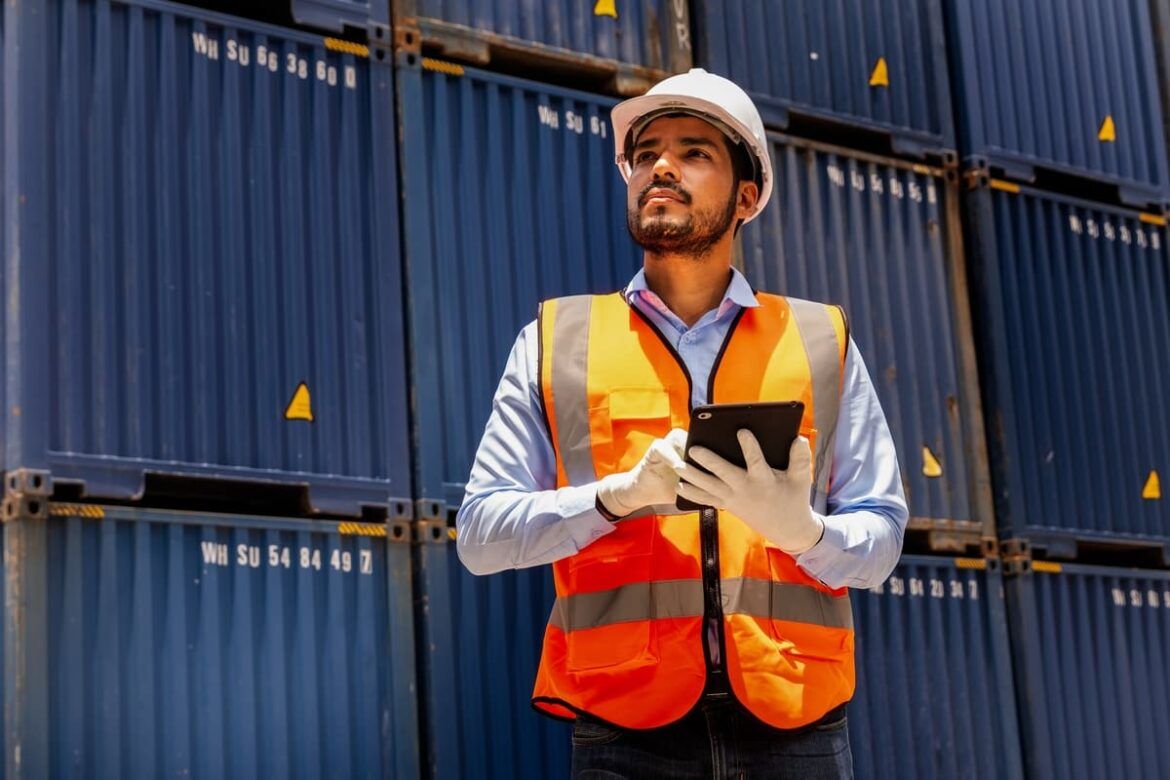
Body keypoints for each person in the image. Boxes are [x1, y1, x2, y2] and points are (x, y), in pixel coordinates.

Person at [456, 68, 908, 779]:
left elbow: (882, 536)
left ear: (746, 196)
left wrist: (805, 533)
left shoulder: (821, 341)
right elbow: (479, 536)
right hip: (625, 733)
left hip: (797, 726)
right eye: (644, 155)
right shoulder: (555, 340)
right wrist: (616, 497)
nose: (659, 167)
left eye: (694, 151)